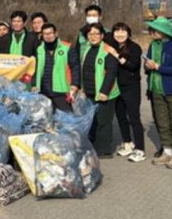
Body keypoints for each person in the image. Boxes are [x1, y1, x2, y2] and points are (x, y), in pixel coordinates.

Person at [144, 16, 172, 169]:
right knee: (162, 122)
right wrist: (147, 65)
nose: (152, 32)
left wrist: (158, 67)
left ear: (163, 32)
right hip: (156, 89)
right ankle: (167, 150)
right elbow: (149, 64)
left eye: (155, 30)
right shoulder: (153, 45)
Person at [70, 23, 119, 158]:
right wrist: (82, 88)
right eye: (91, 34)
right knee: (93, 120)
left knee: (104, 121)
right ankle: (94, 146)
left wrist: (104, 91)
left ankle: (105, 150)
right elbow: (84, 70)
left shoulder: (108, 50)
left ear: (102, 36)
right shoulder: (87, 49)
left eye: (97, 34)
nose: (94, 37)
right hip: (90, 91)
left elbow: (111, 73)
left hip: (105, 93)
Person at [106, 23, 145, 162]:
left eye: (123, 31)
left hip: (131, 87)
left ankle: (140, 149)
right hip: (117, 86)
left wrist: (116, 55)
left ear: (128, 33)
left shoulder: (134, 48)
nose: (120, 34)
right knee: (121, 116)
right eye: (117, 31)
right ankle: (127, 143)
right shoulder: (112, 44)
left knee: (134, 117)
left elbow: (132, 65)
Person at [31, 23, 76, 112]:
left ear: (56, 33)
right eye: (45, 34)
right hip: (43, 91)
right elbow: (35, 69)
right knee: (46, 120)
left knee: (66, 118)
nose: (48, 36)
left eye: (50, 33)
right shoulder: (39, 49)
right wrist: (34, 84)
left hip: (61, 91)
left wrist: (75, 85)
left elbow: (75, 67)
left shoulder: (66, 48)